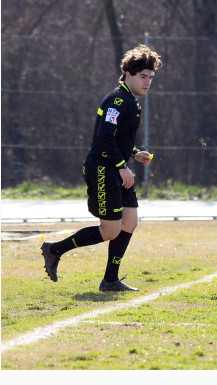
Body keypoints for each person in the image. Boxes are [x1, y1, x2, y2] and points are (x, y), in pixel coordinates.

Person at [41, 44, 162, 292]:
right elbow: (104, 138)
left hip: (116, 166)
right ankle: (54, 250)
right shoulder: (117, 100)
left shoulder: (133, 102)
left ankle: (110, 280)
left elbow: (117, 138)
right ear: (128, 74)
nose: (148, 81)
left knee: (130, 222)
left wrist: (133, 153)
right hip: (102, 168)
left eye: (151, 77)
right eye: (143, 76)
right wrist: (122, 166)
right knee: (110, 230)